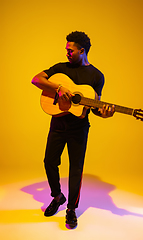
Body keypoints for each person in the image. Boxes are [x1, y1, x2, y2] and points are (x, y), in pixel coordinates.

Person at [31, 31, 115, 228]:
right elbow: (36, 80)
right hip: (58, 126)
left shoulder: (96, 76)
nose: (67, 52)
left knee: (75, 169)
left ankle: (71, 209)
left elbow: (95, 108)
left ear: (82, 50)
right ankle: (58, 196)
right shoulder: (60, 69)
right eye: (67, 49)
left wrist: (105, 113)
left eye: (71, 50)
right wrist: (59, 88)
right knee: (49, 162)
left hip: (79, 129)